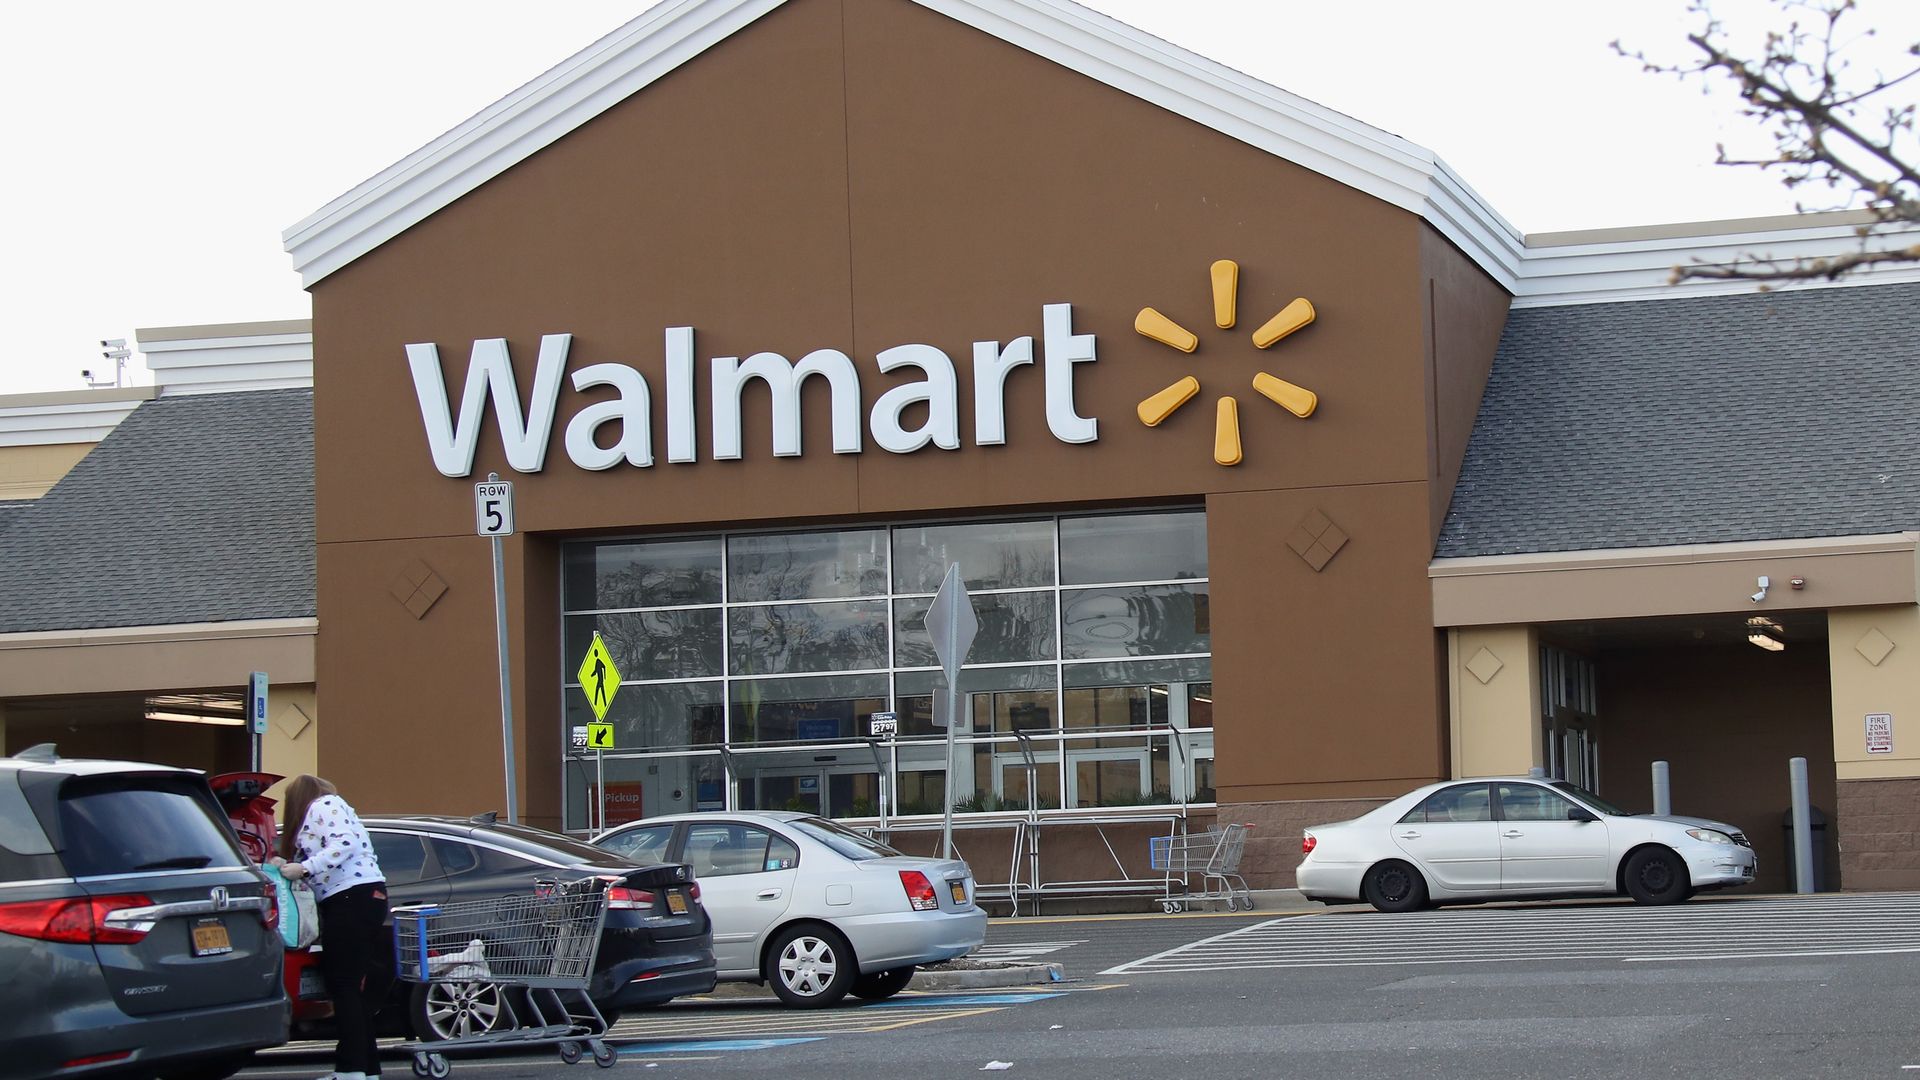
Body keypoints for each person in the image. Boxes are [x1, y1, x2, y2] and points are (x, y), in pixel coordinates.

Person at [276, 775, 391, 1080]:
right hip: (361, 898)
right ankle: (365, 1069)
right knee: (351, 987)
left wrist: (304, 867)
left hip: (351, 898)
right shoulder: (324, 812)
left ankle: (351, 1069)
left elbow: (344, 843)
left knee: (344, 986)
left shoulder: (325, 803)